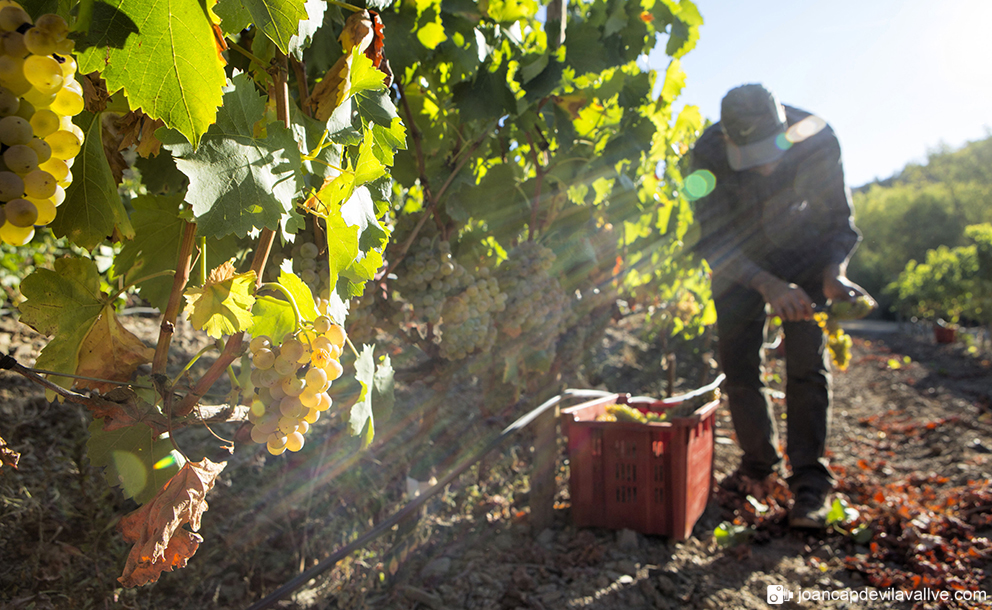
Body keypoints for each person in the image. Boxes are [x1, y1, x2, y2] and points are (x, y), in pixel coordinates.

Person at [688, 83, 873, 528]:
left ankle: (810, 482)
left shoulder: (818, 138)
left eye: (771, 152)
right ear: (728, 141)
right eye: (752, 157)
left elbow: (838, 223)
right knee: (738, 363)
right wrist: (768, 285)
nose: (767, 167)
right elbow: (713, 240)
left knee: (807, 362)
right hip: (740, 262)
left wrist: (834, 272)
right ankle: (758, 464)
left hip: (806, 253)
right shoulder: (706, 154)